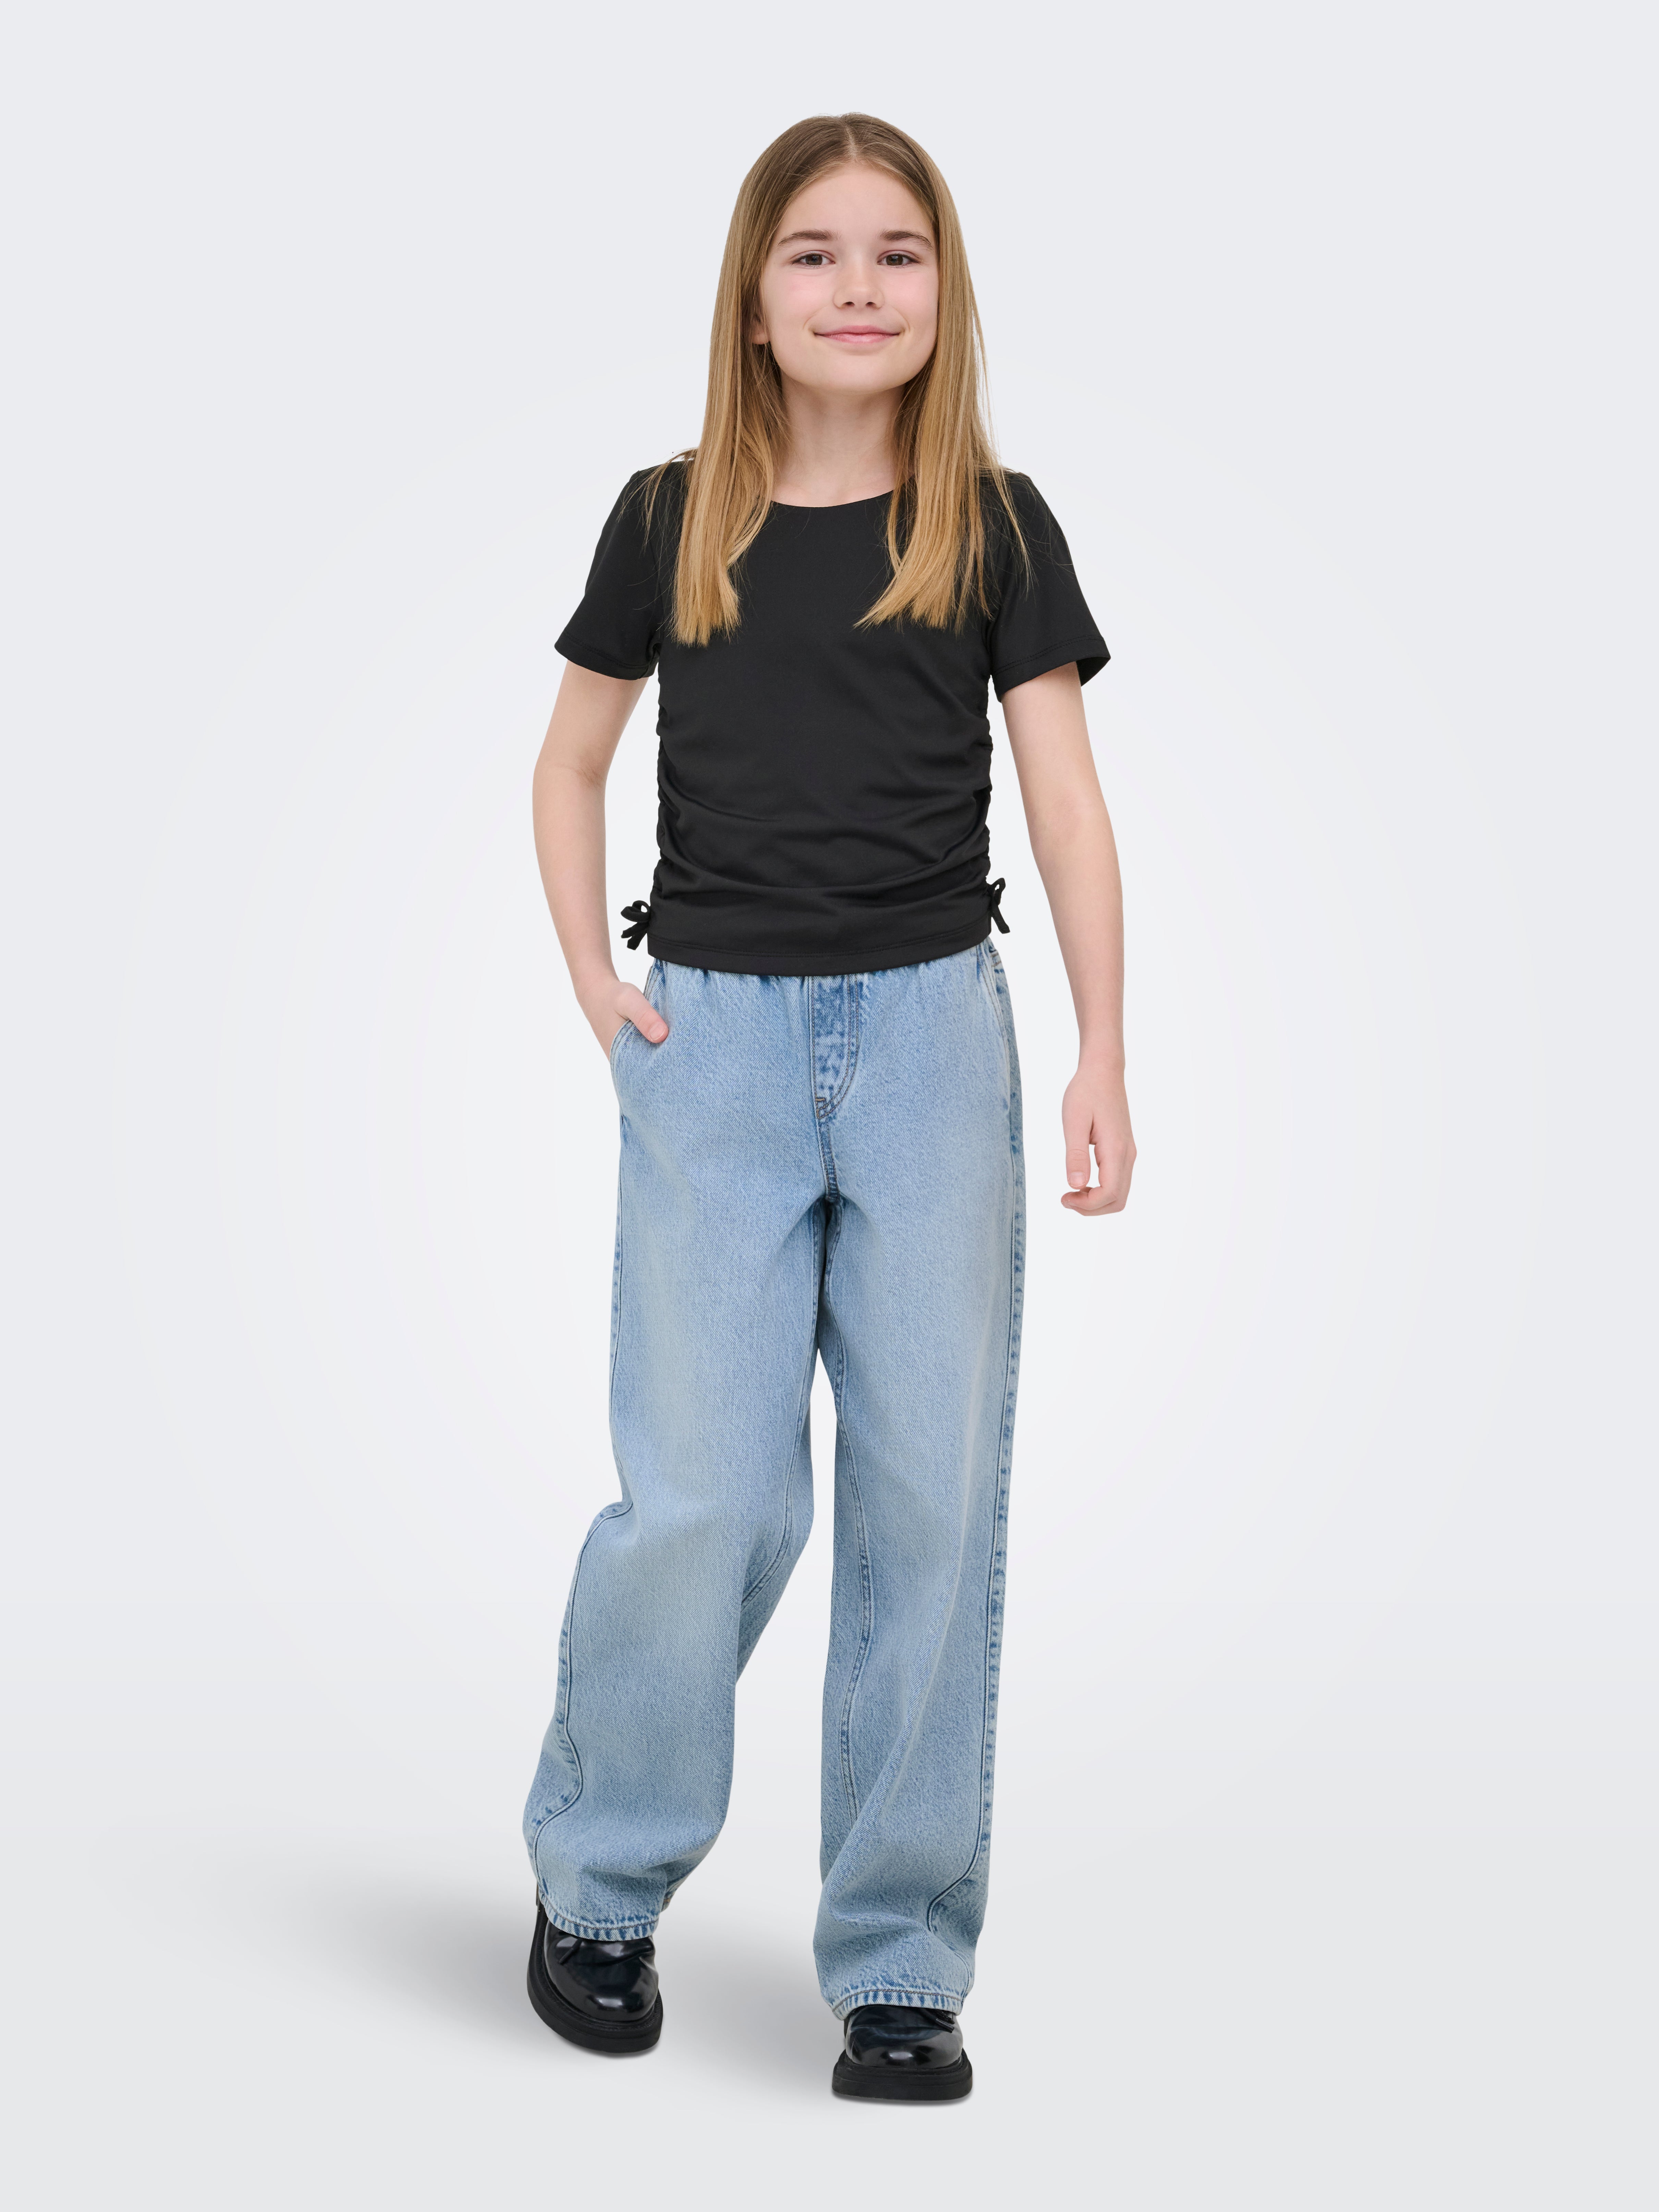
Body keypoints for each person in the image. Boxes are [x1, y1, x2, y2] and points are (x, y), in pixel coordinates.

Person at [521, 111, 1134, 2103]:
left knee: (929, 1495)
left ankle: (899, 1956)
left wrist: (1100, 1051)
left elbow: (1062, 803)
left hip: (934, 1040)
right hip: (712, 1040)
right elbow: (568, 764)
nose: (858, 287)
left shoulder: (994, 526)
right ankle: (600, 1878)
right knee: (709, 1489)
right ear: (754, 297)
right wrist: (599, 986)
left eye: (897, 252)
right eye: (814, 253)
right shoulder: (669, 517)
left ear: (945, 291)